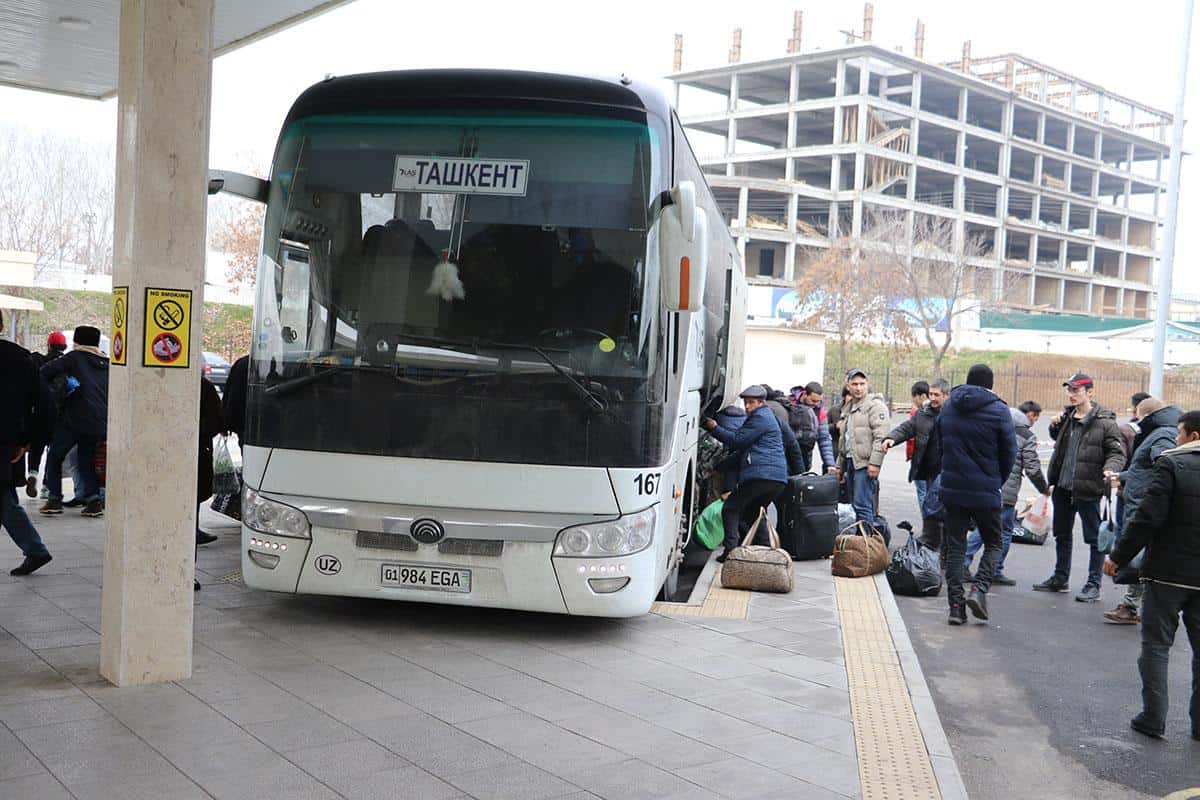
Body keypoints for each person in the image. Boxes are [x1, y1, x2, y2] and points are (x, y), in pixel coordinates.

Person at [1103, 410, 1200, 741]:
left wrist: (1118, 557)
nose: (1175, 439)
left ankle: (1153, 718)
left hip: (1167, 575)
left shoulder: (1172, 465)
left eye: (1180, 433)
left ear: (1194, 437)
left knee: (1157, 646)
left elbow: (1147, 518)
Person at [1034, 373, 1126, 602]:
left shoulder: (1105, 422)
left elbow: (1116, 452)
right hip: (1063, 487)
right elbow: (1060, 442)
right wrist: (1054, 426)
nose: (1072, 394)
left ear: (1090, 392)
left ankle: (1093, 585)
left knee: (1095, 539)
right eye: (1070, 390)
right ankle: (1060, 578)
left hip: (1088, 488)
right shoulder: (1067, 416)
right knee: (1062, 534)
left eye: (1076, 390)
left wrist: (1110, 468)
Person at [937, 364, 1016, 626]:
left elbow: (940, 443)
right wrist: (996, 481)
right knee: (994, 541)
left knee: (956, 548)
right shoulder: (999, 410)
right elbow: (1009, 453)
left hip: (952, 489)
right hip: (985, 491)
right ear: (990, 384)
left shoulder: (949, 406)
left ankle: (956, 608)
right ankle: (979, 589)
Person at [1102, 398, 1181, 625]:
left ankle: (1136, 608)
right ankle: (1134, 606)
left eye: (1137, 415)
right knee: (1143, 559)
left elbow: (1164, 467)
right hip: (1142, 502)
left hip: (1145, 506)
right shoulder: (1164, 431)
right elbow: (1145, 469)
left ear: (1145, 416)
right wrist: (1123, 477)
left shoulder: (1162, 434)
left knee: (1140, 558)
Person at [963, 402, 1047, 586]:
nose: (1034, 422)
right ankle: (993, 569)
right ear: (1029, 415)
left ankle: (965, 563)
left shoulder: (994, 427)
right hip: (1006, 492)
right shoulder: (1026, 436)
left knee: (985, 526)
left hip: (985, 485)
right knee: (1003, 531)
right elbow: (1032, 468)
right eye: (1035, 418)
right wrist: (1044, 488)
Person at [703, 385, 789, 563]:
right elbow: (742, 453)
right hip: (776, 478)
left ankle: (730, 551)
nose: (748, 407)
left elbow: (737, 441)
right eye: (746, 403)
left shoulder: (760, 417)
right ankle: (766, 553)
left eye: (751, 403)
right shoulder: (764, 417)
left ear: (762, 402)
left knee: (731, 508)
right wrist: (719, 467)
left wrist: (714, 427)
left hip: (761, 475)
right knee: (755, 513)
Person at [0, 311, 54, 575]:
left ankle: (35, 550)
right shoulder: (21, 358)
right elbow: (44, 404)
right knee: (4, 497)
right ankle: (35, 550)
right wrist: (28, 440)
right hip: (8, 442)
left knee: (4, 499)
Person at [39, 325, 109, 518]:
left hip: (74, 419)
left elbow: (44, 372)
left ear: (76, 341)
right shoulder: (107, 363)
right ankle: (93, 501)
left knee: (55, 456)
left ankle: (54, 499)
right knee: (85, 459)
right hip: (99, 421)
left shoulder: (73, 358)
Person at [836, 369, 890, 530]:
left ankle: (868, 546)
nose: (858, 388)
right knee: (855, 506)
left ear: (867, 385)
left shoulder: (875, 406)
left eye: (862, 384)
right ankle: (861, 544)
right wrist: (840, 466)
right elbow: (844, 440)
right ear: (848, 386)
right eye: (854, 384)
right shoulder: (849, 407)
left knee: (862, 505)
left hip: (865, 464)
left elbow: (881, 437)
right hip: (852, 461)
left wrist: (875, 463)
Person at [882, 379, 947, 514]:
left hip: (947, 472)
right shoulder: (923, 413)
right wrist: (891, 438)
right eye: (931, 394)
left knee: (944, 511)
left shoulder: (954, 416)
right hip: (928, 471)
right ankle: (930, 533)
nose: (932, 398)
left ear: (946, 395)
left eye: (937, 395)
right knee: (930, 509)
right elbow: (907, 428)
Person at [24, 331, 68, 497]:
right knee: (53, 450)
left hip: (38, 412)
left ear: (48, 345)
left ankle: (32, 475)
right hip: (59, 414)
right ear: (63, 346)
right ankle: (46, 486)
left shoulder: (38, 361)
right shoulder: (66, 364)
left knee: (37, 447)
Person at [195, 377, 226, 589]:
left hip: (195, 457)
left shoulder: (203, 386)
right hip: (197, 456)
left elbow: (215, 420)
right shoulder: (203, 385)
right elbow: (216, 421)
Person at [795, 382, 837, 474]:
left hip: (805, 459)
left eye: (819, 401)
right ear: (805, 394)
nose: (816, 404)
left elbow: (824, 439)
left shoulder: (820, 412)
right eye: (813, 401)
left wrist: (830, 464)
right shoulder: (790, 404)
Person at [906, 381, 931, 506]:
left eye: (914, 397)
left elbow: (911, 439)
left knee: (923, 493)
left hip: (921, 461)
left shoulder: (919, 413)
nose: (913, 401)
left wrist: (911, 455)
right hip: (928, 462)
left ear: (922, 396)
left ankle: (927, 521)